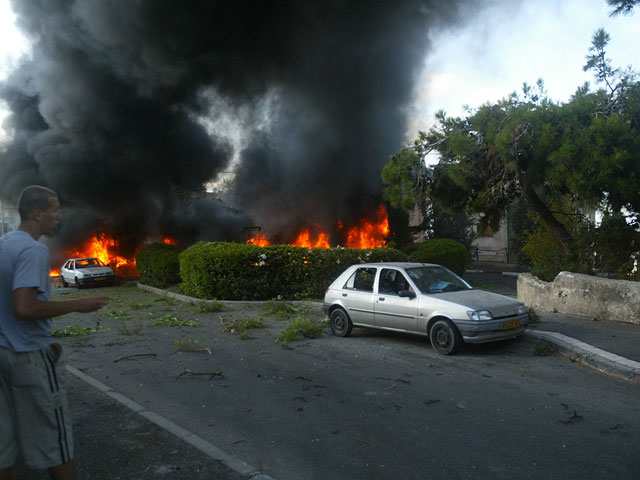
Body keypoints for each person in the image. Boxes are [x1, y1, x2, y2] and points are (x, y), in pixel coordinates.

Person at [0, 185, 108, 480]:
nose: (59, 216)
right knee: (55, 442)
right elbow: (24, 307)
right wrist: (78, 305)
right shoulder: (33, 249)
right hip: (29, 357)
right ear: (37, 214)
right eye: (54, 209)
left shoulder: (4, 244)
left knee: (2, 449)